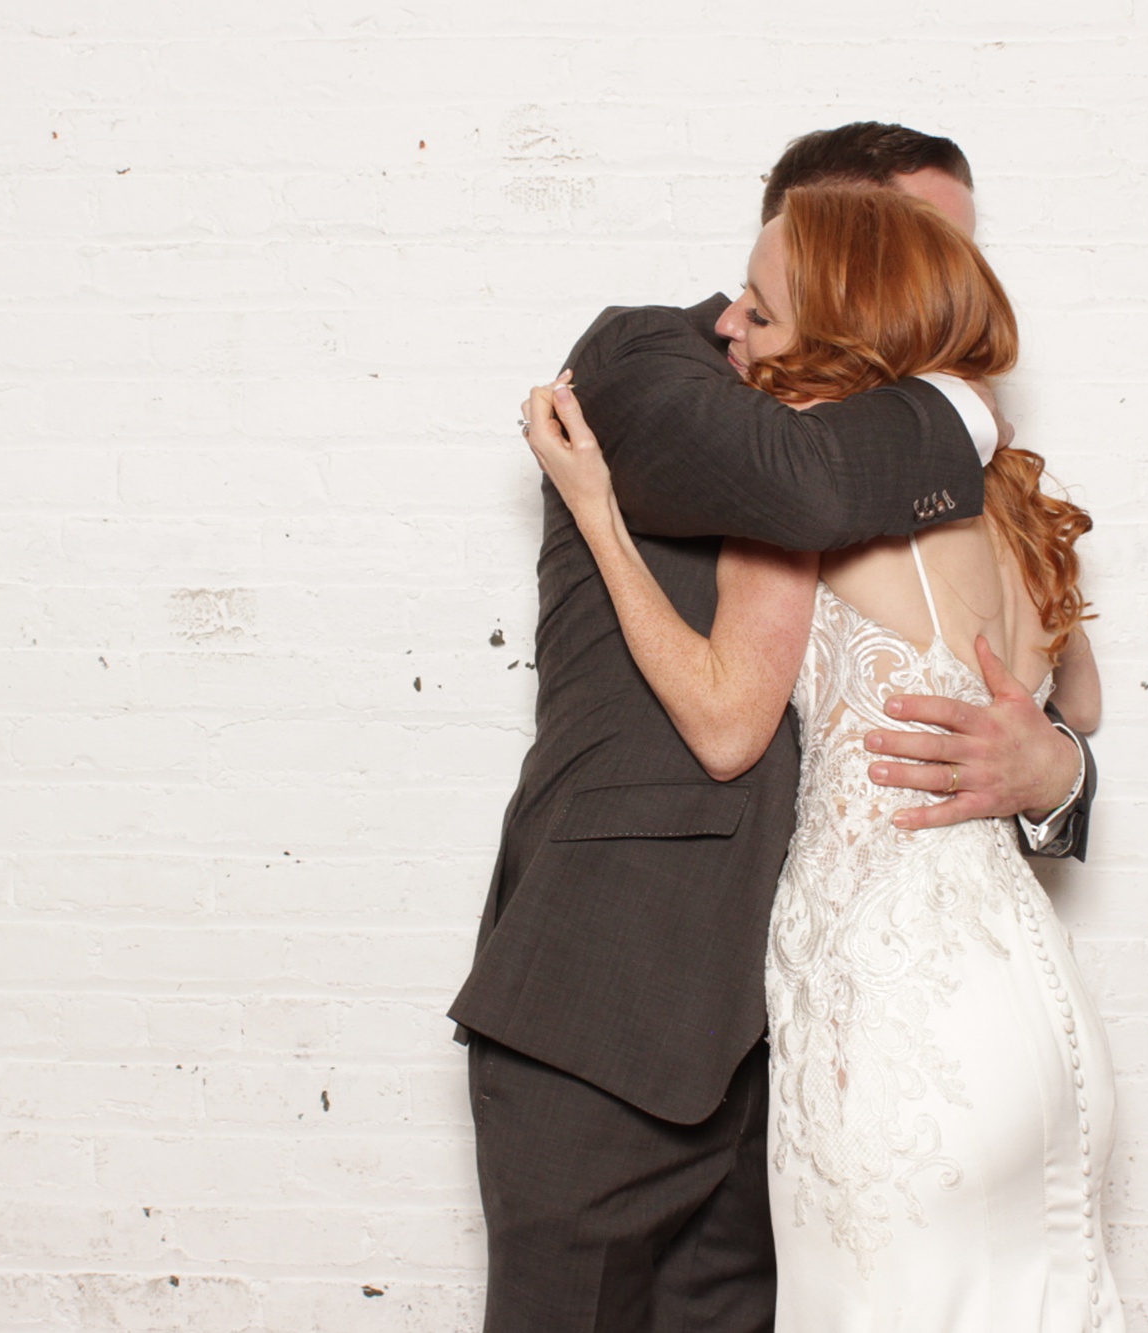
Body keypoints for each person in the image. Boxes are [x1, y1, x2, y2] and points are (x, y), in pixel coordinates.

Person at [451, 123, 1100, 1333]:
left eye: (957, 255)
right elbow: (794, 486)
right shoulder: (648, 358)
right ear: (842, 253)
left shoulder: (939, 472)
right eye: (915, 249)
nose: (944, 287)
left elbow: (1049, 690)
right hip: (620, 1001)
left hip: (833, 1035)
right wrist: (959, 404)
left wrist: (1055, 766)